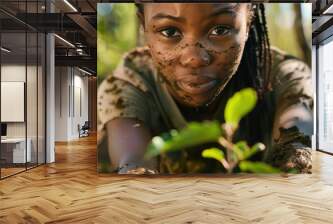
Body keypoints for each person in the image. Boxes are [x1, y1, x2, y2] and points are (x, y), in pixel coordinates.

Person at [97, 3, 313, 174]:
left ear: (249, 20)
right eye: (170, 31)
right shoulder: (129, 84)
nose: (194, 59)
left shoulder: (284, 77)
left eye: (220, 29)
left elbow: (296, 153)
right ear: (144, 25)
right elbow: (133, 165)